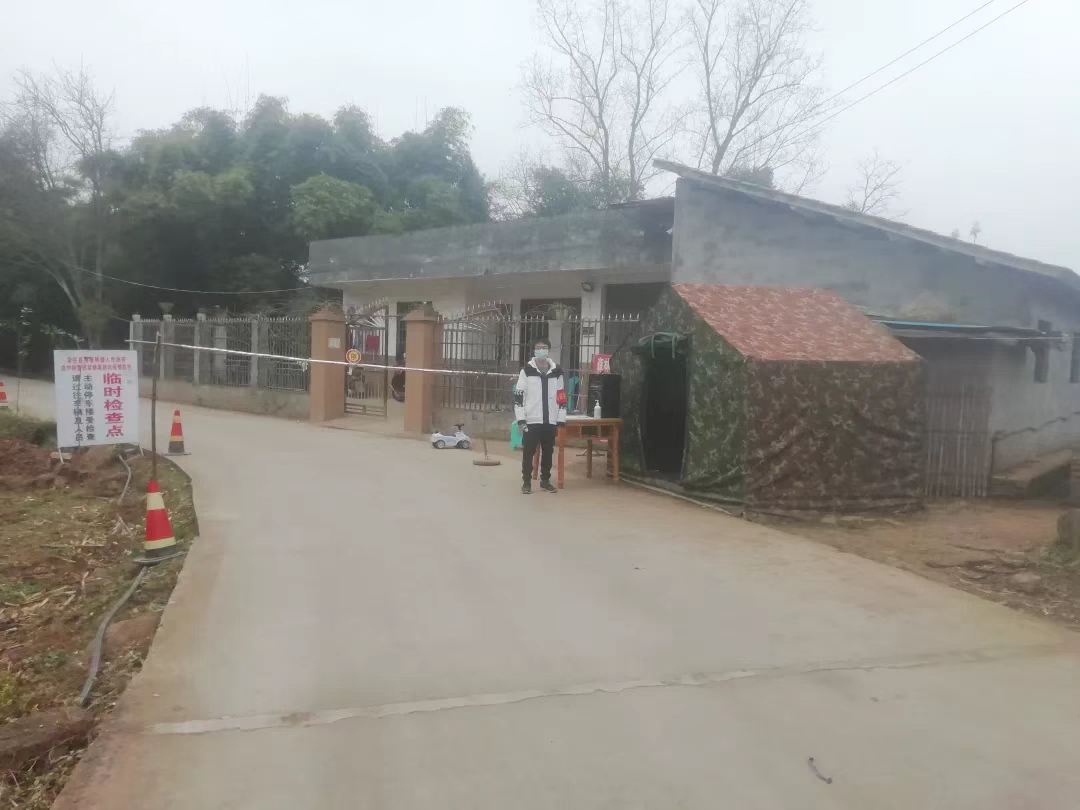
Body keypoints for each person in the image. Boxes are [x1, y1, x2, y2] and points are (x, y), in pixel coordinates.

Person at [514, 337, 567, 494]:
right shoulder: (526, 371)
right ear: (534, 351)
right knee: (528, 453)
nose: (541, 350)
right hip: (531, 421)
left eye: (544, 347)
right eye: (538, 347)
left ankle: (545, 480)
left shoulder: (557, 372)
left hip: (550, 421)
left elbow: (561, 396)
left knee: (548, 452)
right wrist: (521, 420)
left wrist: (561, 419)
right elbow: (519, 398)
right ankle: (526, 482)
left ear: (548, 350)